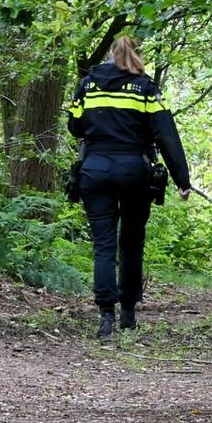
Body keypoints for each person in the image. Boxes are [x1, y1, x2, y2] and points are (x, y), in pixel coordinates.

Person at [67, 36, 191, 338]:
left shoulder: (89, 84)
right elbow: (166, 135)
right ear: (136, 55)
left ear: (111, 54)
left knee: (103, 246)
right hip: (134, 170)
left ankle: (105, 318)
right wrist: (182, 180)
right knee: (132, 243)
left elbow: (74, 127)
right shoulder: (146, 87)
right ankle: (128, 314)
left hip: (95, 170)